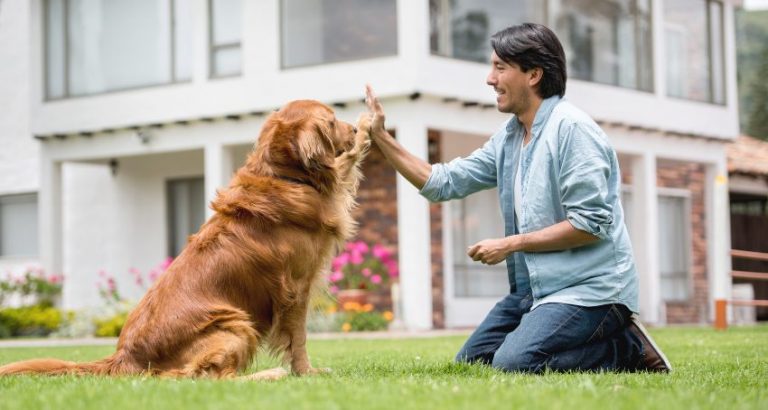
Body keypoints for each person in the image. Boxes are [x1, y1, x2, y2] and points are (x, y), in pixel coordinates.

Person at [364, 23, 671, 373]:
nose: (490, 79)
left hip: (592, 291)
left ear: (534, 75)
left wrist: (511, 244)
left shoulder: (573, 131)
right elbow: (443, 182)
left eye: (500, 67)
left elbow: (590, 225)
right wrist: (382, 137)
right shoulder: (509, 138)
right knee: (473, 363)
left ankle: (626, 349)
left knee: (514, 363)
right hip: (534, 292)